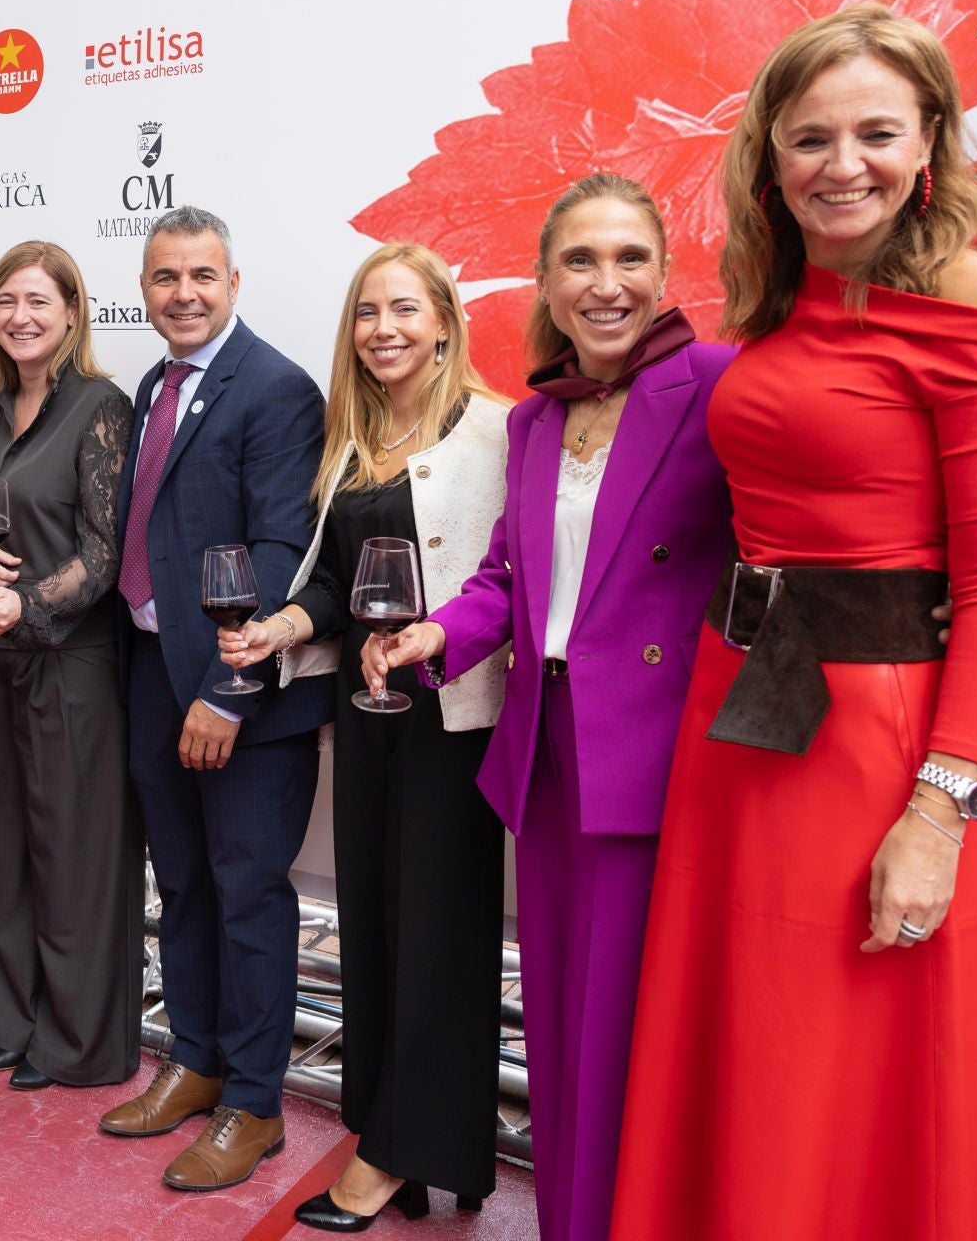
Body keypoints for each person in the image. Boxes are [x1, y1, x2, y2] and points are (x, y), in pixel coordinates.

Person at [609, 6, 977, 1239]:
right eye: (810, 137)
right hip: (743, 712)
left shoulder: (970, 297)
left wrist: (940, 804)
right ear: (770, 157)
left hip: (872, 739)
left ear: (928, 148)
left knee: (847, 1052)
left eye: (874, 133)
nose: (840, 163)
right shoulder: (785, 293)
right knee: (753, 1041)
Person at [367, 177, 737, 1240]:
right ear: (544, 280)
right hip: (549, 749)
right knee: (562, 1028)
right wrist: (441, 633)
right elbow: (506, 576)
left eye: (628, 258)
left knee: (635, 1029)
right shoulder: (536, 417)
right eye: (579, 260)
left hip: (663, 757)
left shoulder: (717, 383)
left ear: (667, 271)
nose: (605, 283)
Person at [216, 243, 511, 1226]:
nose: (383, 327)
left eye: (404, 309)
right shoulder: (351, 438)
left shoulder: (497, 432)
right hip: (367, 706)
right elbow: (340, 590)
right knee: (379, 927)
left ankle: (398, 1153)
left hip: (451, 713)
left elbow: (507, 581)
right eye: (366, 311)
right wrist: (284, 626)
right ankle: (421, 1142)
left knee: (441, 933)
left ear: (442, 321)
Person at [97, 205, 332, 1191]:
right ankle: (192, 1060)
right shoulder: (158, 381)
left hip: (241, 692)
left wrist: (229, 693)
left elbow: (281, 554)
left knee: (246, 895)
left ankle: (253, 1101)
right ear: (143, 290)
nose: (182, 293)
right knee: (184, 884)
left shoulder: (276, 390)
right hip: (154, 672)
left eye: (201, 275)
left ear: (234, 282)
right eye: (163, 277)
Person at [0, 241, 141, 1092]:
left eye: (38, 301)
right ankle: (14, 1021)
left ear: (70, 311)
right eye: (5, 302)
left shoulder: (102, 406)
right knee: (2, 844)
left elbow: (105, 552)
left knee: (75, 853)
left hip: (68, 662)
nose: (20, 316)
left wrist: (30, 603)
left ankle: (78, 1043)